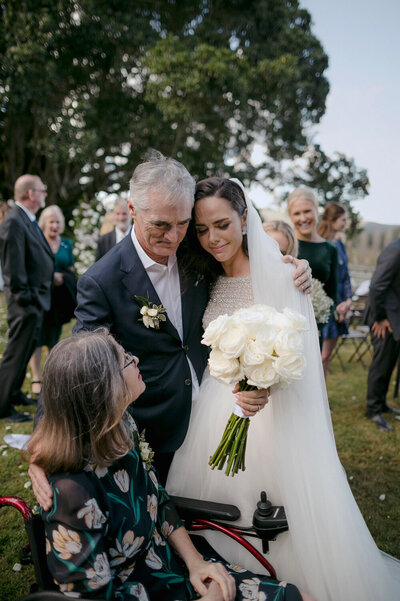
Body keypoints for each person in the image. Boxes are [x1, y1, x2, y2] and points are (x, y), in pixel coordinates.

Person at [166, 177, 400, 601]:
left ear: (243, 218)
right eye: (201, 230)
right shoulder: (201, 275)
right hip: (212, 411)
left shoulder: (284, 274)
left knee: (269, 511)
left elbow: (301, 355)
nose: (212, 238)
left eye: (221, 225)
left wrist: (267, 387)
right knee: (212, 509)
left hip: (268, 417)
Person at [30, 151, 311, 490]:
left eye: (183, 224)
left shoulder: (196, 249)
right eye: (161, 226)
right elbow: (77, 359)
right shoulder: (101, 281)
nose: (174, 237)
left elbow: (241, 263)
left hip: (216, 406)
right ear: (133, 210)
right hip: (157, 425)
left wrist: (288, 268)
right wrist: (42, 441)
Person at [27, 330, 310, 601]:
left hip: (173, 565)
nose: (136, 359)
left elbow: (158, 500)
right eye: (126, 359)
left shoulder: (122, 427)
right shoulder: (71, 494)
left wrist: (196, 563)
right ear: (103, 387)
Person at [0, 175, 54, 422]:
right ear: (31, 194)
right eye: (42, 190)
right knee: (16, 351)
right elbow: (13, 267)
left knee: (23, 352)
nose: (45, 194)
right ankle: (2, 405)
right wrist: (26, 299)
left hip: (35, 301)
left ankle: (14, 394)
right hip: (25, 303)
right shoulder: (13, 221)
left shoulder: (26, 219)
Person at [28, 205, 76, 396]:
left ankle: (50, 375)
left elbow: (71, 268)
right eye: (51, 222)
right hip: (41, 296)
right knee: (37, 338)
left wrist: (63, 277)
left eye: (57, 222)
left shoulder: (66, 244)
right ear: (44, 224)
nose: (55, 226)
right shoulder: (37, 241)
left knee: (53, 339)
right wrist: (50, 277)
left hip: (59, 299)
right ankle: (36, 377)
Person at [287, 187, 338, 345]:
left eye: (307, 211)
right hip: (284, 327)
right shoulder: (284, 244)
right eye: (297, 213)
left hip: (315, 329)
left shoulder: (330, 249)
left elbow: (332, 293)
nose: (303, 218)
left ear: (317, 210)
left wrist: (319, 325)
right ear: (290, 216)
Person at [363, 237, 400, 431]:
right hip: (383, 318)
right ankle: (373, 409)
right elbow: (377, 286)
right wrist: (380, 318)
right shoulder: (395, 249)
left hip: (394, 317)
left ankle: (382, 403)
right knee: (381, 363)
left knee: (389, 363)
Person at [317, 202, 353, 377]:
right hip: (324, 305)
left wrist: (348, 300)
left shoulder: (340, 245)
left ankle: (323, 399)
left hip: (341, 304)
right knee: (320, 356)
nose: (345, 223)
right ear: (332, 220)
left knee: (327, 355)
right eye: (343, 220)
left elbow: (345, 275)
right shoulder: (320, 244)